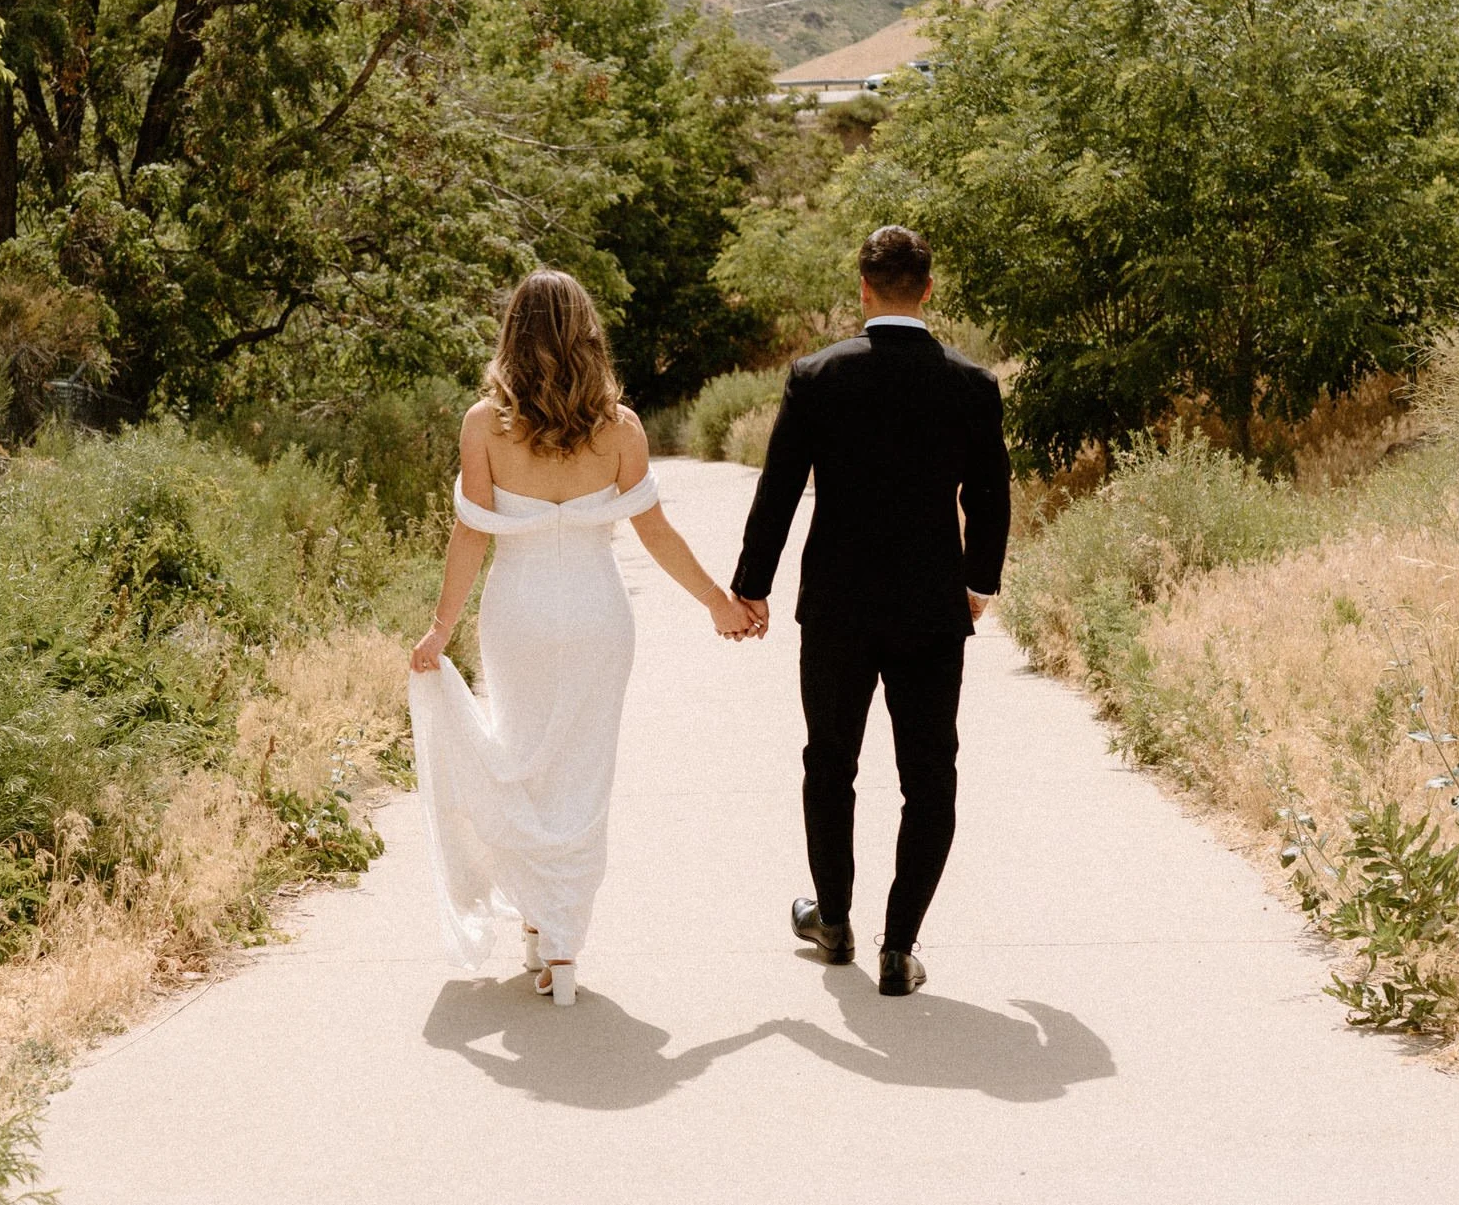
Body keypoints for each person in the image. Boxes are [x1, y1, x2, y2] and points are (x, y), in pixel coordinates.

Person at [407, 270, 755, 1006]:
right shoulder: (620, 427)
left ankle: (541, 919)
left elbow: (470, 531)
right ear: (587, 333)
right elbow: (653, 531)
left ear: (513, 333)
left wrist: (441, 627)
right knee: (582, 774)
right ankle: (561, 945)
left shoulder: (483, 424)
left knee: (525, 759)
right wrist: (717, 602)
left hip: (520, 611)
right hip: (598, 613)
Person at [730, 224, 1011, 998]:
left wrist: (750, 585)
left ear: (863, 289)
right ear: (928, 288)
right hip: (930, 606)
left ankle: (834, 920)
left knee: (830, 762)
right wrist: (977, 585)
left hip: (837, 607)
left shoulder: (817, 376)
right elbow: (990, 498)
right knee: (930, 776)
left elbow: (779, 490)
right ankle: (899, 943)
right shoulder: (971, 385)